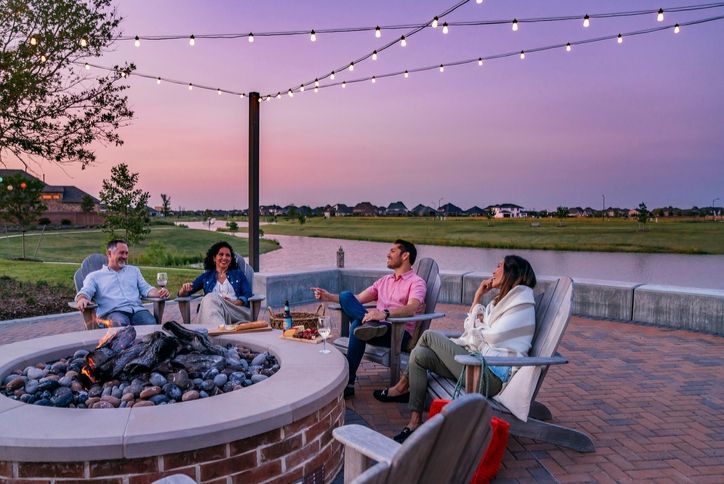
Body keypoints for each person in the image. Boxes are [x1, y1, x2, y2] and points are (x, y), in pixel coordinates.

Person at [374, 255, 537, 443]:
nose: (494, 270)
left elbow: (492, 336)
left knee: (428, 336)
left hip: (490, 377)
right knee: (419, 355)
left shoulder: (521, 305)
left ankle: (403, 385)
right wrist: (478, 297)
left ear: (511, 272)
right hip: (476, 363)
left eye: (499, 266)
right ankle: (415, 421)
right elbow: (473, 329)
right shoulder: (499, 304)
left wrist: (479, 325)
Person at [312, 239, 426, 399]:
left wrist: (385, 314)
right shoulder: (384, 281)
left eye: (393, 251)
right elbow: (357, 299)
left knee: (358, 326)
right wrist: (328, 296)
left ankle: (349, 383)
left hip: (397, 333)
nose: (388, 254)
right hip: (375, 329)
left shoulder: (417, 282)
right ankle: (370, 326)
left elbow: (412, 307)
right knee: (347, 298)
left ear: (405, 255)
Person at [75, 239, 170, 327]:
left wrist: (158, 293)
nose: (125, 256)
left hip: (137, 310)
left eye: (126, 253)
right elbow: (85, 291)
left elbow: (146, 288)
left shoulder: (134, 271)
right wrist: (82, 299)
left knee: (150, 322)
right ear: (109, 253)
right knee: (120, 324)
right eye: (121, 253)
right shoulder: (95, 276)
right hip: (113, 312)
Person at [178, 241, 253, 326]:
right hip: (215, 310)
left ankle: (216, 332)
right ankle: (221, 330)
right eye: (221, 254)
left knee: (210, 297)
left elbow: (248, 294)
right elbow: (185, 292)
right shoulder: (206, 276)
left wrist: (236, 302)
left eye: (228, 255)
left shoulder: (238, 274)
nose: (224, 258)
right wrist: (184, 289)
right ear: (214, 258)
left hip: (235, 310)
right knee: (210, 298)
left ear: (231, 259)